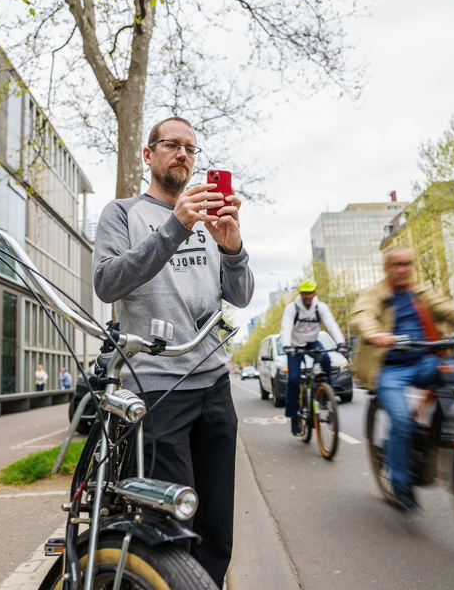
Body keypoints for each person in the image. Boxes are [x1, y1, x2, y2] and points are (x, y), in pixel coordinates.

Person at [93, 116, 254, 587]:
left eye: (190, 148)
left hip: (215, 385)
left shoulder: (208, 216)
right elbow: (107, 283)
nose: (183, 154)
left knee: (216, 526)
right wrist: (176, 226)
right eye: (171, 145)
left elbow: (240, 295)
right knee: (172, 526)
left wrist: (233, 249)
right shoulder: (121, 213)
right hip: (159, 387)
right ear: (148, 155)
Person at [350, 246, 454, 511]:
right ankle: (401, 484)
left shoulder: (420, 293)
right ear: (386, 267)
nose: (403, 269)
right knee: (401, 422)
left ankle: (441, 433)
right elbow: (362, 315)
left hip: (424, 359)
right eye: (397, 265)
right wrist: (375, 333)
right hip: (389, 367)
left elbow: (451, 310)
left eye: (407, 264)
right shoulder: (376, 294)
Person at [279, 279, 347, 436]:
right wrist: (286, 345)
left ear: (314, 292)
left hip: (312, 343)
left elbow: (331, 324)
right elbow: (286, 327)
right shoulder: (292, 308)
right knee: (294, 379)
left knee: (326, 359)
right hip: (295, 346)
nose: (308, 296)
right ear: (301, 293)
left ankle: (325, 395)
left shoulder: (320, 307)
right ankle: (294, 417)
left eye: (310, 292)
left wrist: (341, 342)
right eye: (304, 293)